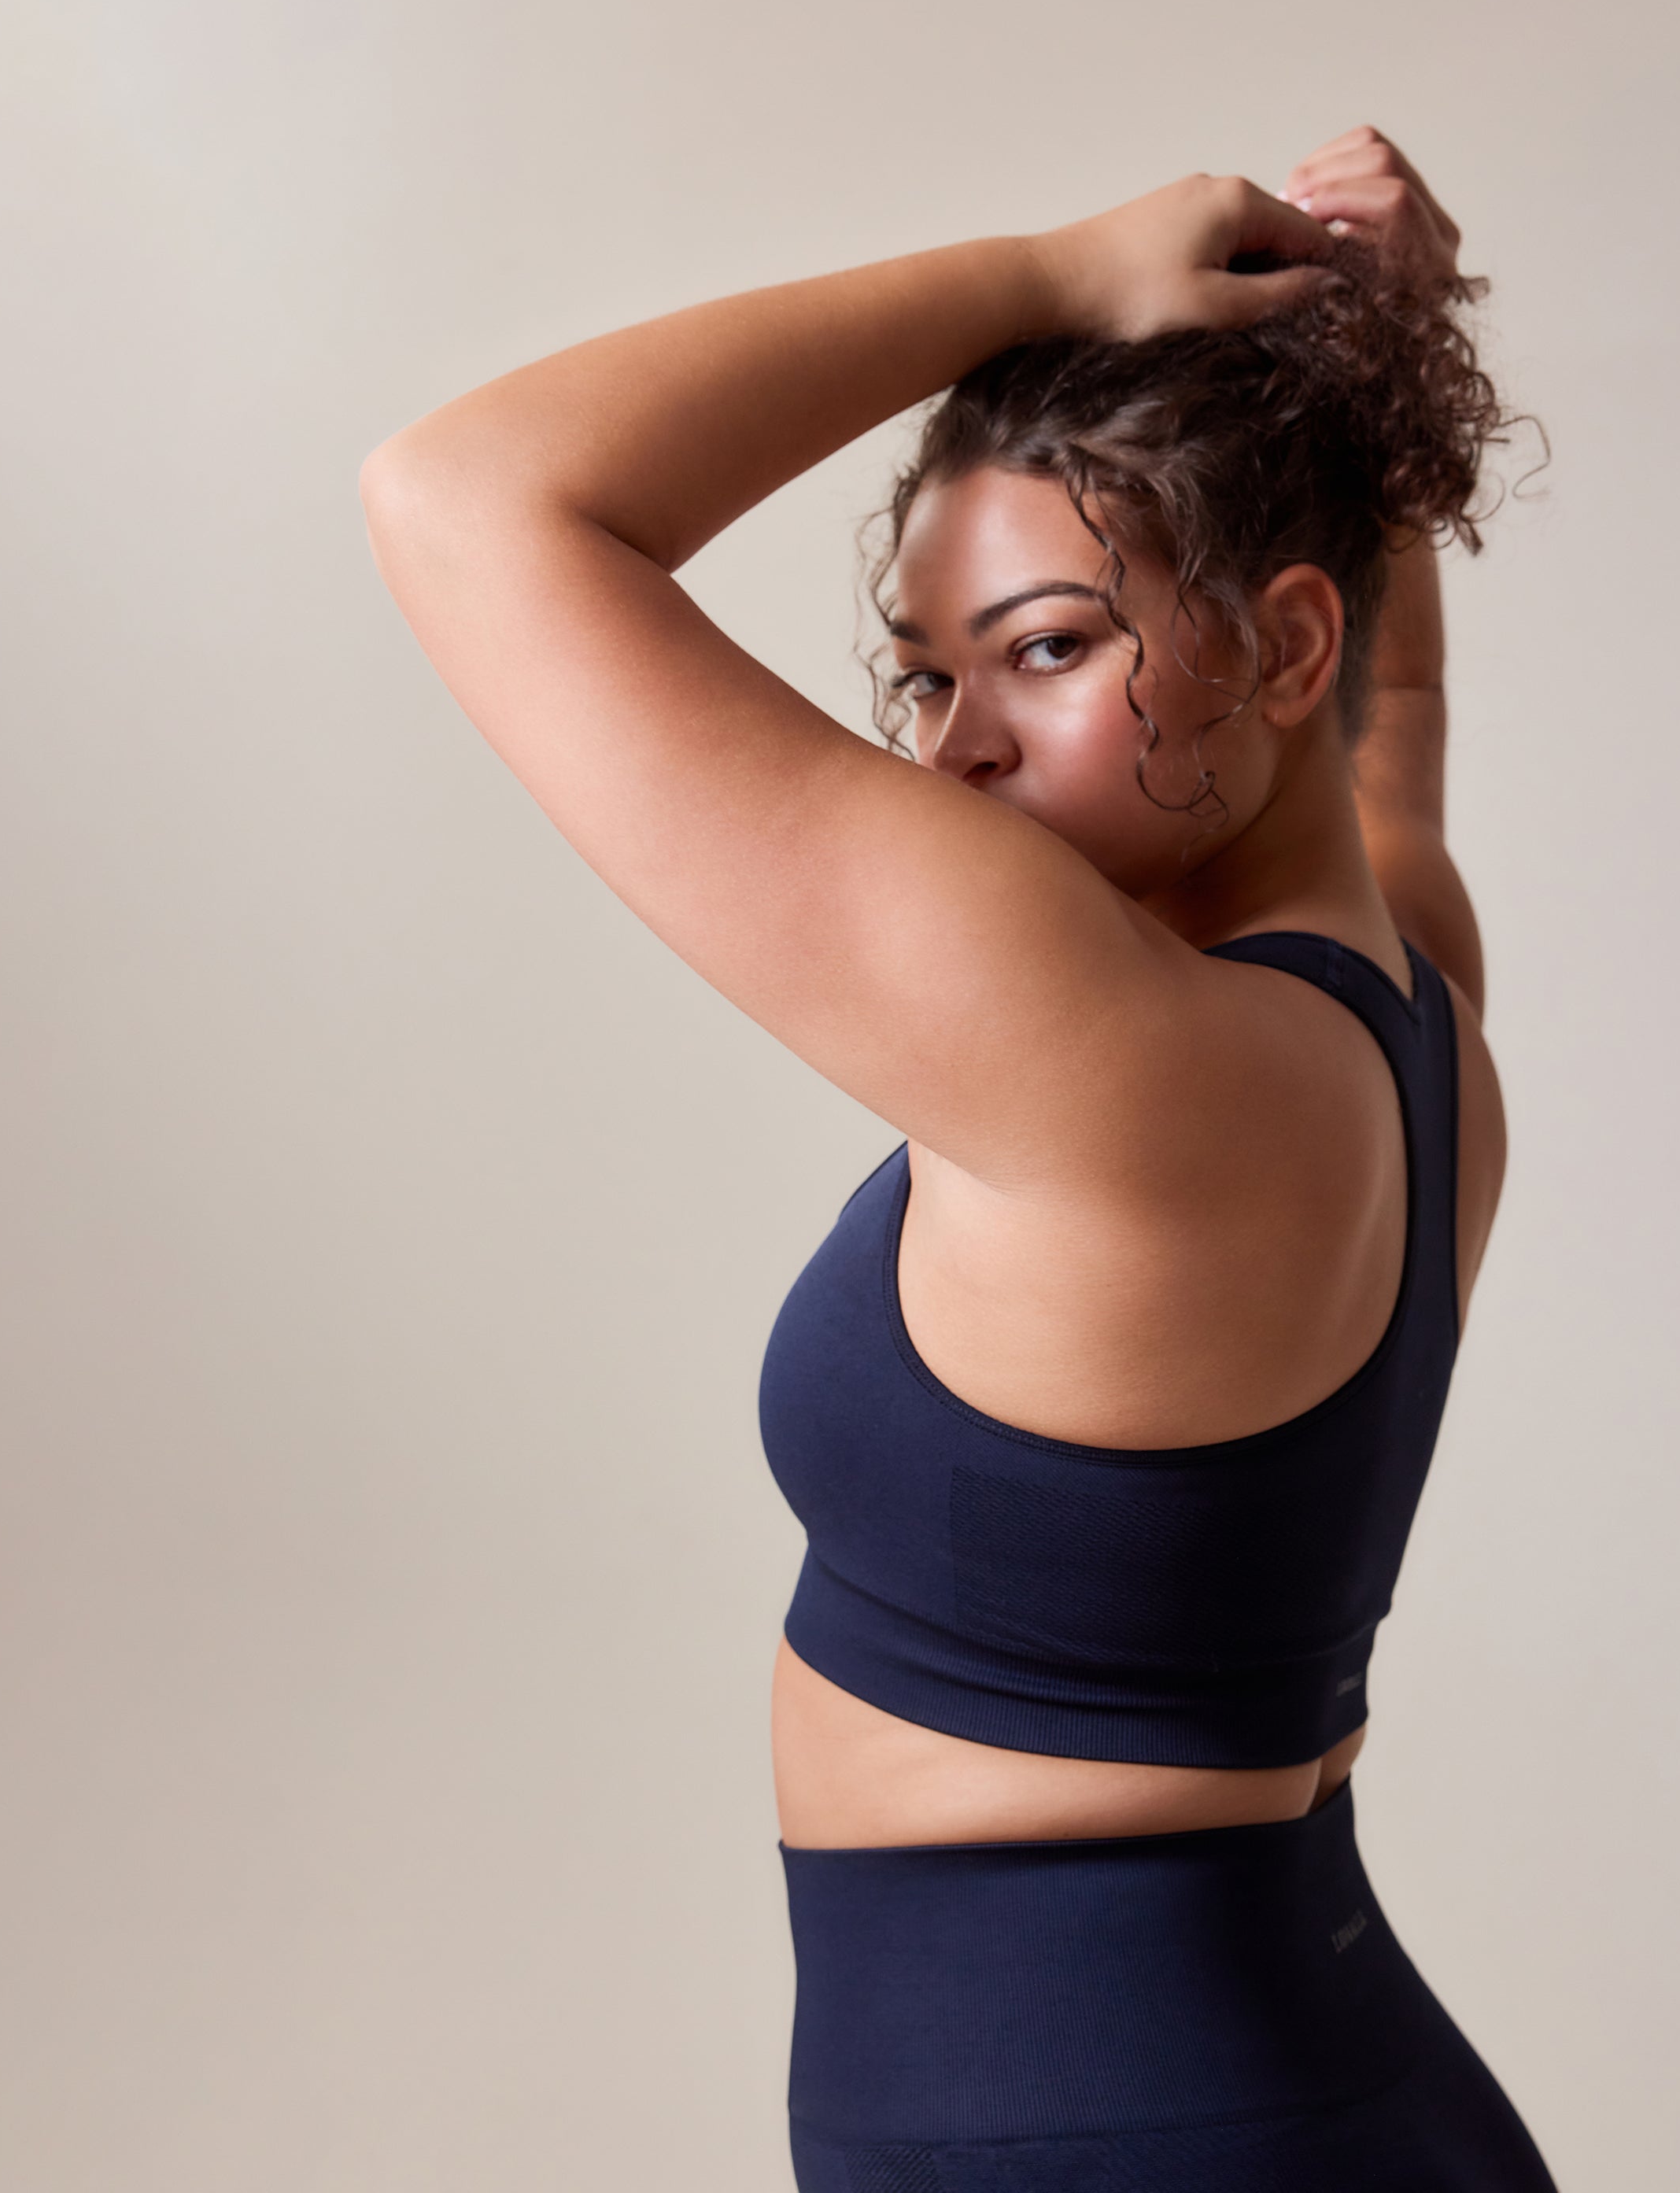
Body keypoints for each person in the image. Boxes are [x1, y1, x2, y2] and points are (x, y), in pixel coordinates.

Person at [362, 124, 1557, 2192]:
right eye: (928, 672)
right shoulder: (1416, 1002)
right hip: (1300, 2080)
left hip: (1114, 2131)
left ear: (1284, 649)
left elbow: (470, 497)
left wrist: (1056, 273)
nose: (958, 747)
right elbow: (1392, 694)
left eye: (1048, 646)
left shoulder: (1125, 1063)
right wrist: (1353, 348)